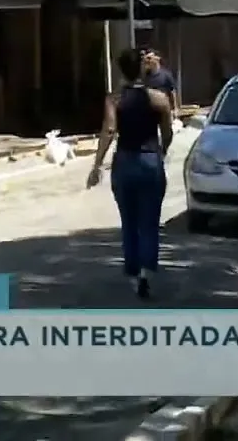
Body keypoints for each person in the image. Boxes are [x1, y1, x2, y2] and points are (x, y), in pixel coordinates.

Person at [87, 48, 175, 299]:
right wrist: (162, 151)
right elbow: (167, 133)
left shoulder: (114, 100)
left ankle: (134, 276)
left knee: (129, 221)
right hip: (150, 159)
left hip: (125, 160)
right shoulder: (158, 98)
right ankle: (147, 272)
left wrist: (97, 165)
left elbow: (110, 130)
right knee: (149, 221)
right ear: (142, 69)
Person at [140, 47, 179, 115]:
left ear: (157, 58)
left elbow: (172, 92)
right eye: (147, 59)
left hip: (163, 109)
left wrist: (175, 108)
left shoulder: (166, 75)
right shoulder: (145, 76)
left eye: (150, 58)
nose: (148, 61)